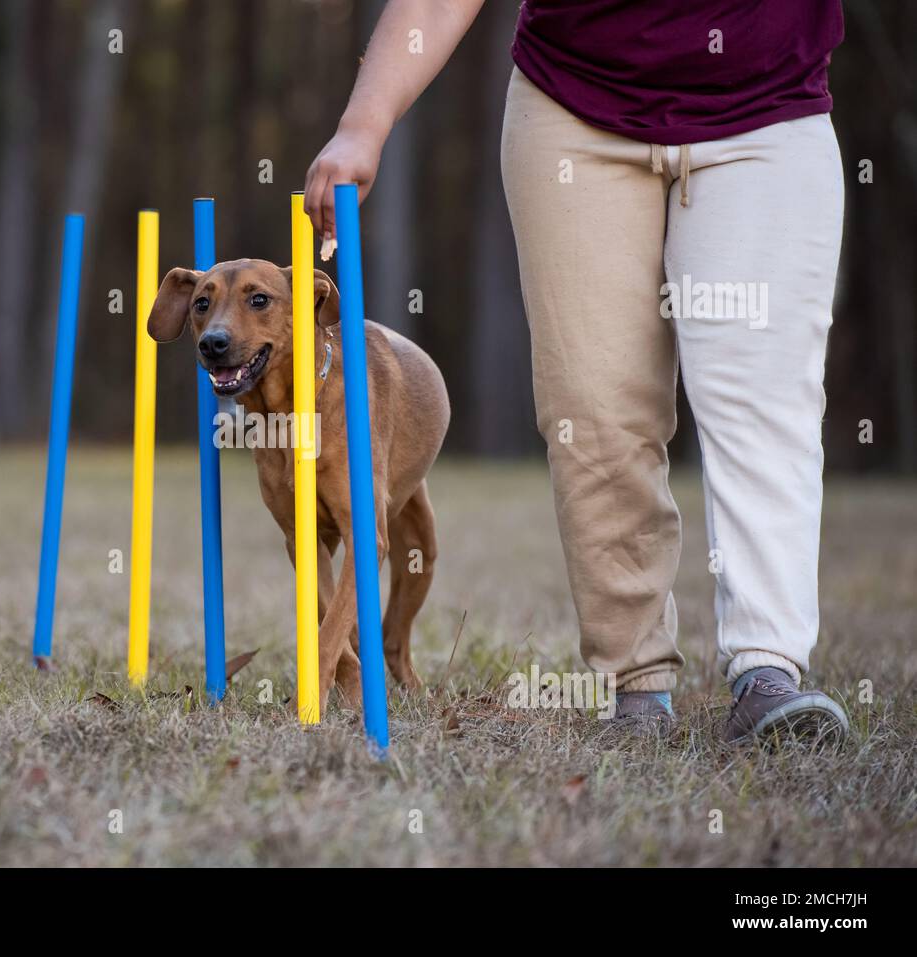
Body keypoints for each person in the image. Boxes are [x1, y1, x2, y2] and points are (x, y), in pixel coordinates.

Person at [303, 0, 851, 743]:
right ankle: (636, 681)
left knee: (760, 396)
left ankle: (768, 670)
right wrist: (363, 124)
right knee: (592, 408)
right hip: (576, 112)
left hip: (768, 115)